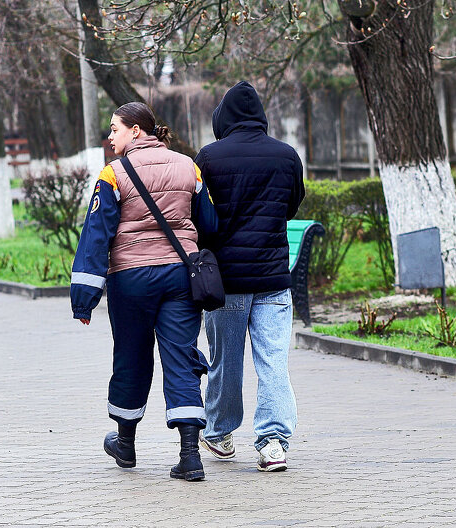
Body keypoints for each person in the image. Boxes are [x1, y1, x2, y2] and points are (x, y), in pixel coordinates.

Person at [70, 102, 218, 482]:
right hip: (181, 276)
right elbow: (209, 223)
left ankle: (126, 444)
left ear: (137, 130)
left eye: (115, 128)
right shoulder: (190, 166)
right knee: (181, 358)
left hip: (132, 279)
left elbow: (95, 237)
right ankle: (189, 456)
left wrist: (84, 297)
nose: (110, 136)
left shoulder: (113, 174)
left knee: (132, 357)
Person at [195, 81, 305, 472]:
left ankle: (220, 432)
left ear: (223, 118)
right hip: (274, 278)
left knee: (225, 360)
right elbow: (290, 206)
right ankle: (274, 442)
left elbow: (200, 215)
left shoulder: (209, 157)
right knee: (273, 359)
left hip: (226, 282)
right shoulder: (286, 155)